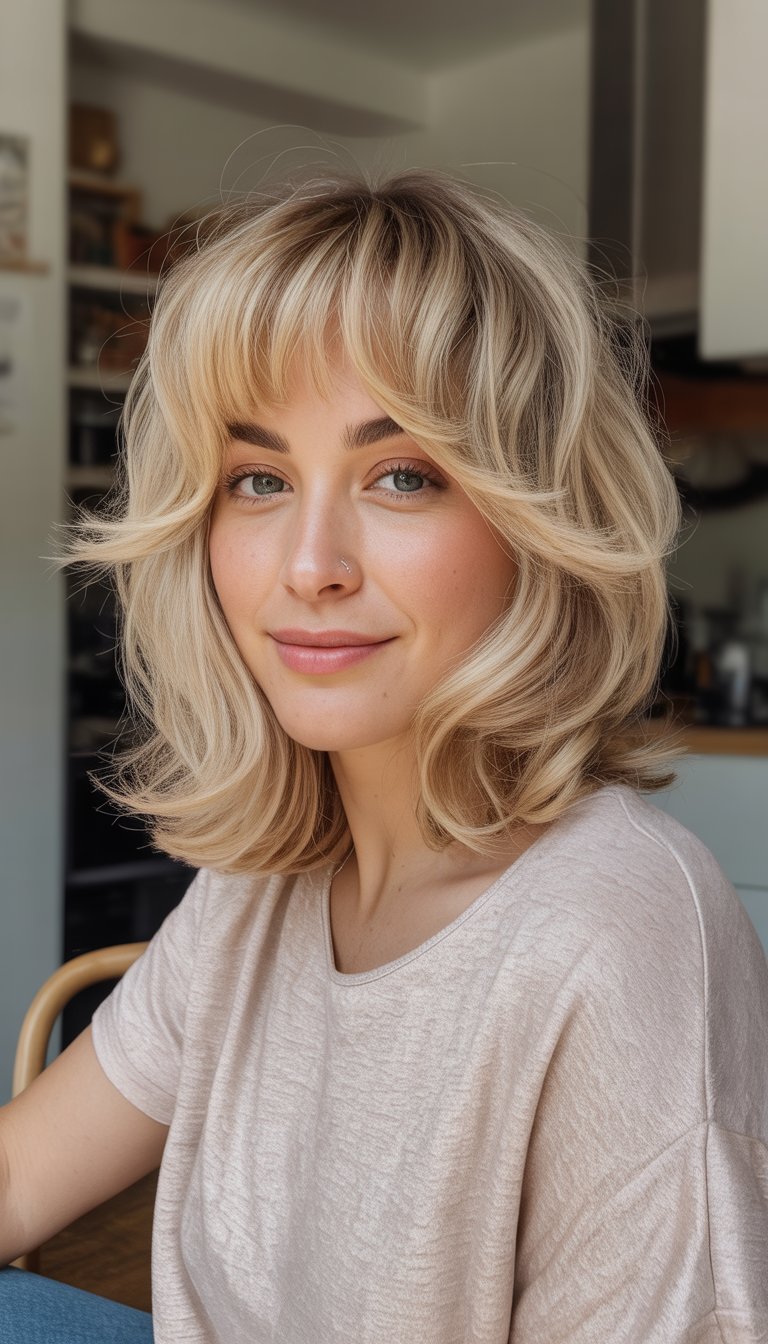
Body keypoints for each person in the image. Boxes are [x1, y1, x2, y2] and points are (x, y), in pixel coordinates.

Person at [1, 165, 766, 1343]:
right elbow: (18, 1180)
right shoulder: (262, 885)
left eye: (400, 475)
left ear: (538, 520)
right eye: (258, 479)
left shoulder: (616, 929)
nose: (309, 564)